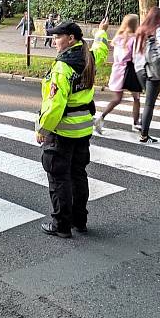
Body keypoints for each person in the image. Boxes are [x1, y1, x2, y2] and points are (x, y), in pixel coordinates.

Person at [36, 18, 109, 238]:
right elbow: (101, 50)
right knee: (78, 175)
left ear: (71, 39)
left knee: (59, 178)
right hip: (83, 131)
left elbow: (55, 104)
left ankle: (61, 225)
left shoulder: (62, 67)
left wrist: (43, 129)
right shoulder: (89, 58)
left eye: (58, 37)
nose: (55, 40)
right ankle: (79, 221)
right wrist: (101, 32)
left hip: (62, 132)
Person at [94, 14, 141, 134]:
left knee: (117, 99)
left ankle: (101, 117)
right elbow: (136, 56)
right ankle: (135, 123)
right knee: (136, 97)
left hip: (117, 70)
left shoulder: (118, 38)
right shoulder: (134, 39)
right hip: (129, 71)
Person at [133, 7, 160, 143]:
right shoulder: (158, 30)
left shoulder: (140, 30)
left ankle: (143, 129)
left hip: (140, 70)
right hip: (153, 71)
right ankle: (144, 135)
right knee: (149, 104)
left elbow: (135, 52)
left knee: (147, 102)